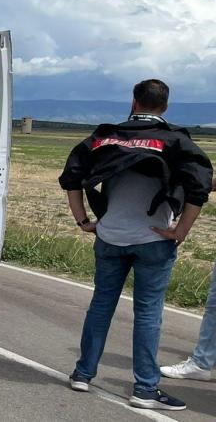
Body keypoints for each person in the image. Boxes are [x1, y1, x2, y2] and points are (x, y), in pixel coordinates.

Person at [61, 79, 212, 411]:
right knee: (147, 313)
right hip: (154, 238)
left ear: (133, 102)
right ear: (166, 106)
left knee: (101, 305)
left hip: (110, 236)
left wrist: (83, 221)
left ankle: (83, 374)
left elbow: (70, 176)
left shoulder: (104, 137)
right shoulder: (176, 140)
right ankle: (145, 389)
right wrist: (181, 230)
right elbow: (200, 186)